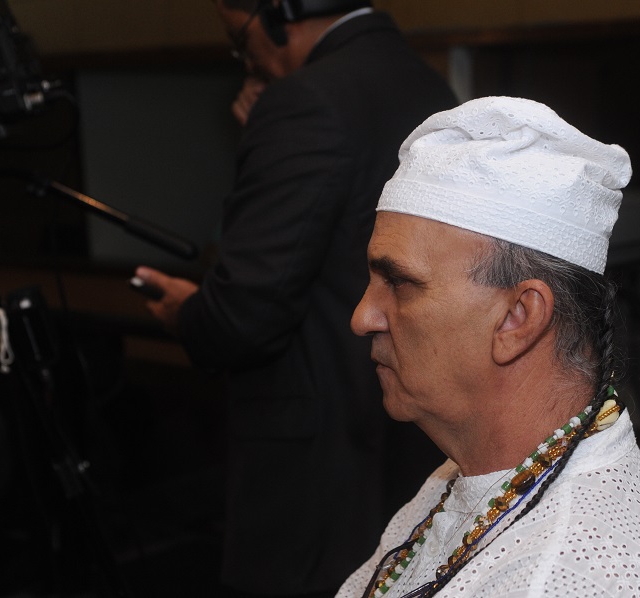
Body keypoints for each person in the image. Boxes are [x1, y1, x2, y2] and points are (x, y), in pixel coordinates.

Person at [133, 1, 457, 596]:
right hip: (412, 433)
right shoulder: (430, 86)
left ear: (280, 12)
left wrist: (189, 314)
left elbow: (244, 312)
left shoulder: (301, 101)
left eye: (240, 38)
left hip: (317, 462)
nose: (246, 59)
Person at [337, 96, 640, 597]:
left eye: (399, 284)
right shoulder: (484, 475)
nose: (362, 317)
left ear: (517, 319)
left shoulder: (569, 578)